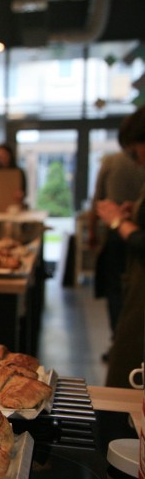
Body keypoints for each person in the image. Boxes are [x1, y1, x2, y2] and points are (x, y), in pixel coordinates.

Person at [96, 105, 145, 388]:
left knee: (125, 374)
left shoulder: (113, 161)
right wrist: (134, 211)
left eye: (135, 149)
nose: (136, 159)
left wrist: (118, 222)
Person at [88, 149, 145, 353]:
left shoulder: (112, 161)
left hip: (123, 233)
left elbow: (98, 201)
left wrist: (92, 231)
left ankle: (120, 343)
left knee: (116, 290)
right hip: (130, 230)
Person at [0, 143, 27, 211]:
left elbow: (24, 191)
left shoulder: (19, 172)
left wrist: (21, 194)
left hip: (14, 209)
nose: (3, 158)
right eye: (0, 156)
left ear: (10, 155)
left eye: (5, 155)